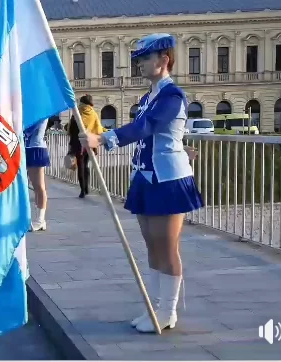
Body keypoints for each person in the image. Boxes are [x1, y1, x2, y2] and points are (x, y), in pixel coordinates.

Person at [80, 33, 203, 333]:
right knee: (151, 245)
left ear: (164, 60)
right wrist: (182, 145)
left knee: (167, 246)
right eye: (140, 59)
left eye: (146, 58)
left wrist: (103, 138)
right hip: (147, 177)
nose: (141, 64)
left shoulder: (173, 96)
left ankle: (168, 311)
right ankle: (155, 307)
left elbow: (146, 126)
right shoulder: (149, 97)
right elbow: (159, 133)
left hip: (169, 179)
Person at [66, 95, 105, 198]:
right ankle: (87, 188)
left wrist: (72, 141)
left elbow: (71, 129)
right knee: (86, 165)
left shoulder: (77, 113)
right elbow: (98, 128)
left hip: (78, 144)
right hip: (89, 143)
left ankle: (82, 190)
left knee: (81, 166)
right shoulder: (93, 113)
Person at [24, 118, 50, 231]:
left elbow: (29, 129)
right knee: (35, 187)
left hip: (37, 148)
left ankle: (40, 220)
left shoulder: (41, 111)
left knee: (40, 186)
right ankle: (37, 218)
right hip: (29, 148)